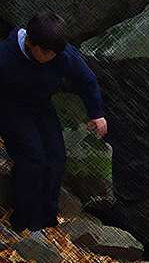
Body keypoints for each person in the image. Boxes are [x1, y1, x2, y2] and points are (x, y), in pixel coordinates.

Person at [0, 13, 106, 234]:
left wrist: (97, 113)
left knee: (56, 157)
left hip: (40, 106)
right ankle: (22, 219)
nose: (52, 57)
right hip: (11, 108)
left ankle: (47, 217)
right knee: (33, 158)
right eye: (47, 53)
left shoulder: (61, 53)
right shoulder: (6, 55)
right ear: (31, 44)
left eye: (55, 53)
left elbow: (86, 80)